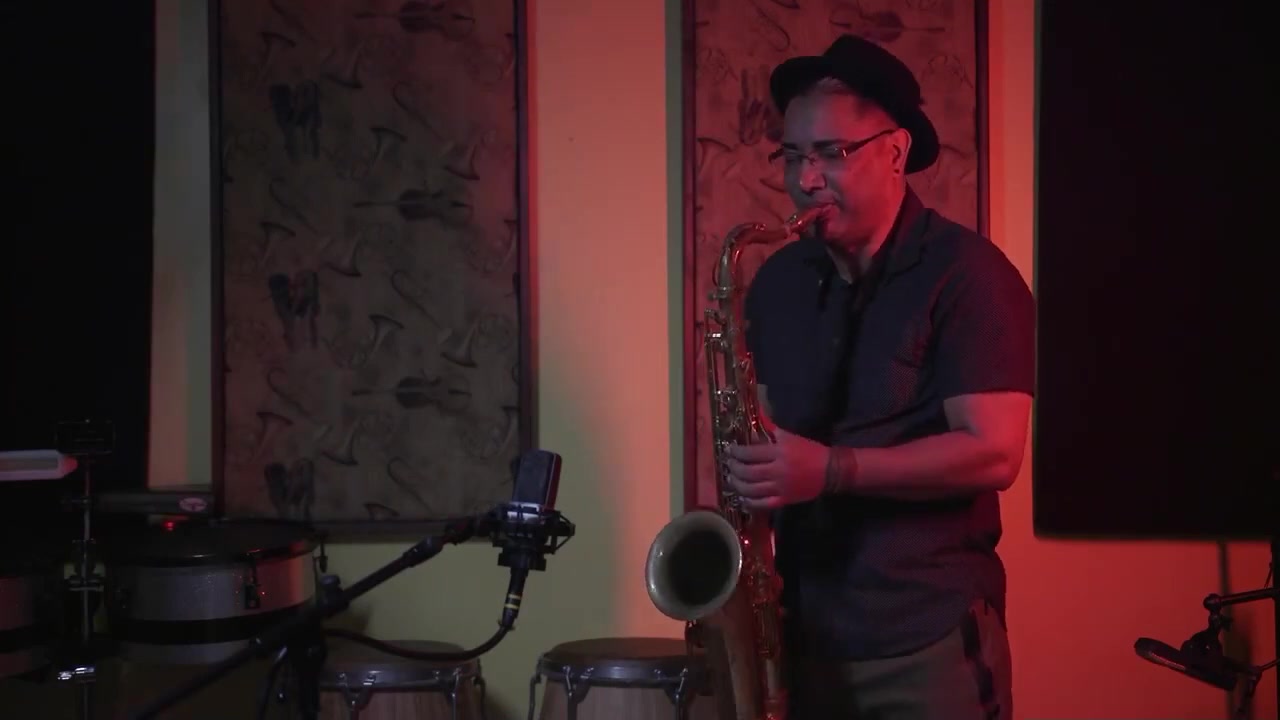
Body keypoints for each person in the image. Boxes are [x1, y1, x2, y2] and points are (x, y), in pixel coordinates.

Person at [724, 35, 1035, 719]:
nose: (806, 180)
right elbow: (764, 438)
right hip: (806, 639)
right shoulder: (777, 282)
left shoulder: (969, 275)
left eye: (831, 153)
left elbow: (996, 453)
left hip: (925, 640)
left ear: (895, 152)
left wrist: (832, 470)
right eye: (793, 156)